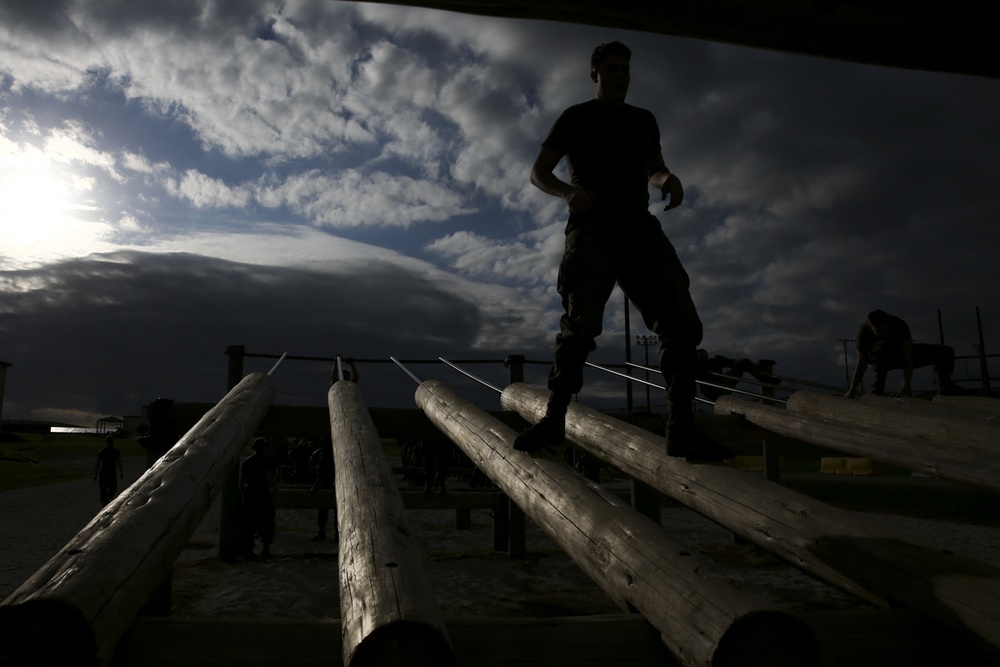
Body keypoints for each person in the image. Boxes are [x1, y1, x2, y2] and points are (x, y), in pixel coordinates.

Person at [516, 41, 729, 461]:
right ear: (594, 74)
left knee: (682, 324)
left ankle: (681, 428)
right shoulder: (576, 117)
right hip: (593, 227)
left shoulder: (644, 120)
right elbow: (538, 171)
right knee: (580, 328)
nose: (620, 77)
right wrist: (567, 192)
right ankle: (554, 419)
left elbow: (655, 167)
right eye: (612, 69)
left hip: (639, 229)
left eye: (625, 70)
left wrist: (668, 179)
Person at [845, 309, 962, 398]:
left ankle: (944, 387)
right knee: (882, 348)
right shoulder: (863, 332)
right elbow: (861, 363)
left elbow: (908, 356)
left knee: (946, 352)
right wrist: (852, 391)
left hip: (900, 355)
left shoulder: (899, 325)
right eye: (878, 330)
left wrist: (905, 385)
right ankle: (877, 389)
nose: (883, 332)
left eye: (885, 328)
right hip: (878, 358)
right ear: (871, 328)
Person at [241, 438, 278, 558]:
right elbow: (270, 477)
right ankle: (265, 549)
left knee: (250, 523)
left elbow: (242, 480)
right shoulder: (268, 459)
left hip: (251, 493)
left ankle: (249, 550)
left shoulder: (248, 461)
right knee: (267, 522)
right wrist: (276, 491)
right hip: (262, 493)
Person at [309, 437, 337, 542]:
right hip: (332, 484)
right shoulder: (331, 454)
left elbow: (321, 472)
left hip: (327, 483)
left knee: (324, 510)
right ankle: (335, 534)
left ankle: (323, 532)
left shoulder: (325, 455)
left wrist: (317, 485)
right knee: (332, 511)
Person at [94, 435, 123, 506]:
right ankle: (106, 500)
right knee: (113, 489)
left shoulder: (102, 452)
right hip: (112, 473)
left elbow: (98, 464)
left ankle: (105, 501)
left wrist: (96, 474)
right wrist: (121, 472)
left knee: (103, 489)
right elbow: (119, 462)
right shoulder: (116, 451)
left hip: (103, 472)